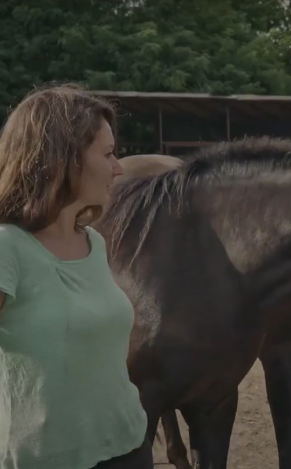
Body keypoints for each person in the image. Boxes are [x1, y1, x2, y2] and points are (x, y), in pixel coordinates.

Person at [0, 84, 150, 469]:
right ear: (63, 160)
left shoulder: (94, 243)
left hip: (128, 447)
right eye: (108, 153)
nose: (119, 167)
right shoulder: (7, 247)